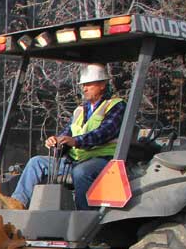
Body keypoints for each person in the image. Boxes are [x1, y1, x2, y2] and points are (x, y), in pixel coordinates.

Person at [9, 63, 126, 210]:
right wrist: (57, 141)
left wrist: (76, 141)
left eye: (89, 84)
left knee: (81, 172)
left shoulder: (116, 106)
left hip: (103, 161)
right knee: (36, 162)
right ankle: (17, 204)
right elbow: (68, 132)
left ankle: (83, 215)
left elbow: (104, 133)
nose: (84, 88)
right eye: (83, 85)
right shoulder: (80, 110)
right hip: (75, 160)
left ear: (102, 85)